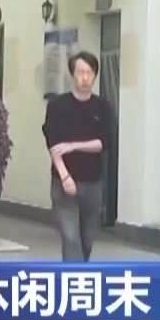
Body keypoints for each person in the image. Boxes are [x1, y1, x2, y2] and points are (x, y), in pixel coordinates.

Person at [43, 51, 113, 262]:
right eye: (80, 72)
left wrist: (73, 146)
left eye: (89, 73)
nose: (85, 77)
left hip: (92, 183)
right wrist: (64, 176)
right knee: (71, 238)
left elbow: (104, 143)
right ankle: (74, 277)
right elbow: (54, 145)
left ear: (95, 75)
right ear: (72, 74)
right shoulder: (57, 106)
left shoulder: (103, 107)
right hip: (64, 184)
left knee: (87, 239)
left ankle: (79, 272)